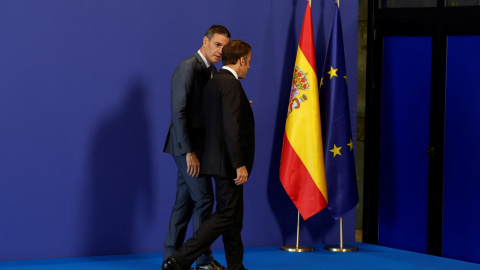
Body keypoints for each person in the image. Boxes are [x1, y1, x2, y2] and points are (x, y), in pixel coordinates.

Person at [163, 40, 255, 270]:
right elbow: (231, 128)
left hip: (218, 161)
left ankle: (236, 266)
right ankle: (179, 259)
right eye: (249, 62)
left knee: (234, 219)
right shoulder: (231, 84)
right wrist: (239, 164)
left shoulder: (215, 82)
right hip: (229, 165)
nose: (249, 67)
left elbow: (217, 119)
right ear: (241, 60)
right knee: (226, 215)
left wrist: (243, 109)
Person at [163, 25, 231, 270]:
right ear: (205, 41)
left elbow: (208, 110)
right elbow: (178, 112)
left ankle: (170, 261)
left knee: (185, 203)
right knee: (204, 199)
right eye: (217, 45)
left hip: (199, 147)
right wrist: (189, 151)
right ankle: (202, 261)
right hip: (185, 147)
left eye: (225, 47)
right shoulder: (187, 67)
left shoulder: (210, 70)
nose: (221, 51)